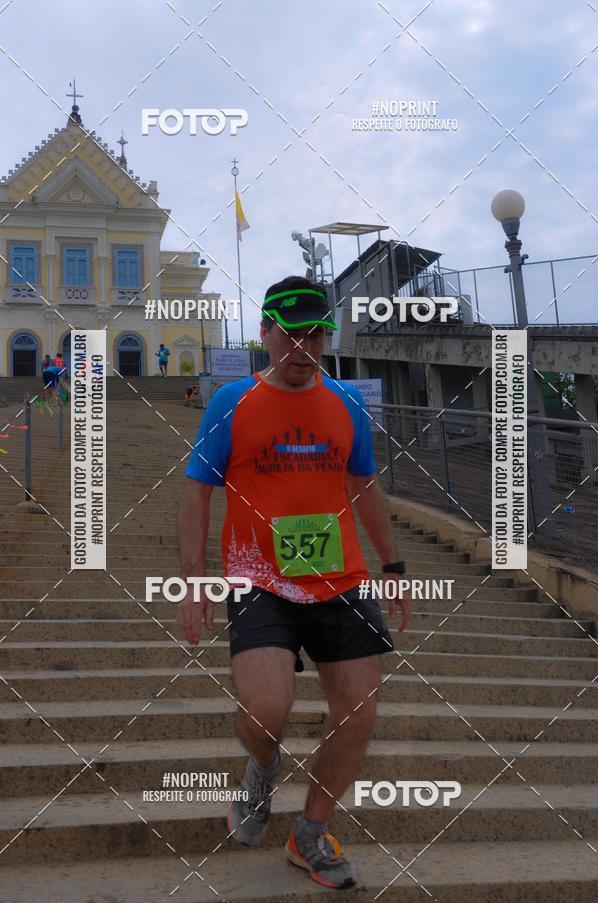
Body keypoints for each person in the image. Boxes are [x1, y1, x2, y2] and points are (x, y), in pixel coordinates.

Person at [177, 276, 410, 890]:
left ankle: (309, 832)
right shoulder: (232, 401)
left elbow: (364, 485)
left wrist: (393, 566)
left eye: (318, 334)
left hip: (342, 581)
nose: (306, 347)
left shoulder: (346, 404)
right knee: (267, 708)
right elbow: (198, 490)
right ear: (265, 333)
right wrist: (194, 580)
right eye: (293, 334)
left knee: (357, 712)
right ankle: (262, 765)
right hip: (259, 579)